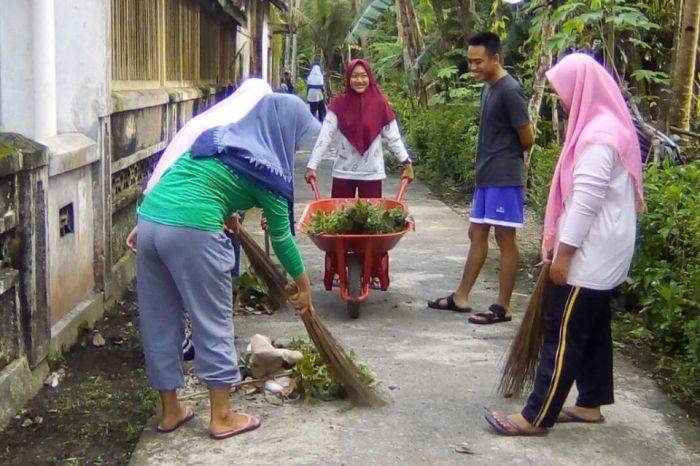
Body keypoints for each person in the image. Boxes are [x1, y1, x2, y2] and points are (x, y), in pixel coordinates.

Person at [125, 86, 321, 440]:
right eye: (296, 136)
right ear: (283, 129)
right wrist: (304, 287)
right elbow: (282, 238)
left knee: (159, 320)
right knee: (212, 319)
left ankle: (170, 412)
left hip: (150, 220)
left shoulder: (218, 137)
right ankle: (222, 417)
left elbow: (193, 179)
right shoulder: (269, 170)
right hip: (192, 231)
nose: (295, 146)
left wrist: (226, 210)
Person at [484, 53, 644, 435]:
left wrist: (564, 253)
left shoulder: (598, 138)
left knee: (563, 334)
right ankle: (590, 402)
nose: (561, 99)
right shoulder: (612, 127)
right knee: (593, 328)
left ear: (583, 89)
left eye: (563, 91)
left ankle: (536, 417)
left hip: (588, 255)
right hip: (610, 252)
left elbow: (585, 202)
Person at [427, 32, 533, 324]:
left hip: (504, 176)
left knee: (505, 237)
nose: (472, 67)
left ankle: (503, 307)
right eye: (469, 61)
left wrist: (503, 159)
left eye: (478, 62)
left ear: (495, 58)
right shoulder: (488, 87)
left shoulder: (510, 90)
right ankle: (461, 297)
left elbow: (528, 137)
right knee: (476, 233)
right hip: (486, 175)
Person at [304, 58, 414, 199]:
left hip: (371, 174)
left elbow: (393, 137)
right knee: (340, 218)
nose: (359, 80)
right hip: (343, 173)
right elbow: (325, 136)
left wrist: (406, 163)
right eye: (354, 76)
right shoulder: (339, 104)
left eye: (363, 76)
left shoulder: (379, 104)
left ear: (370, 77)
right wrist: (312, 165)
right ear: (348, 78)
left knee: (371, 220)